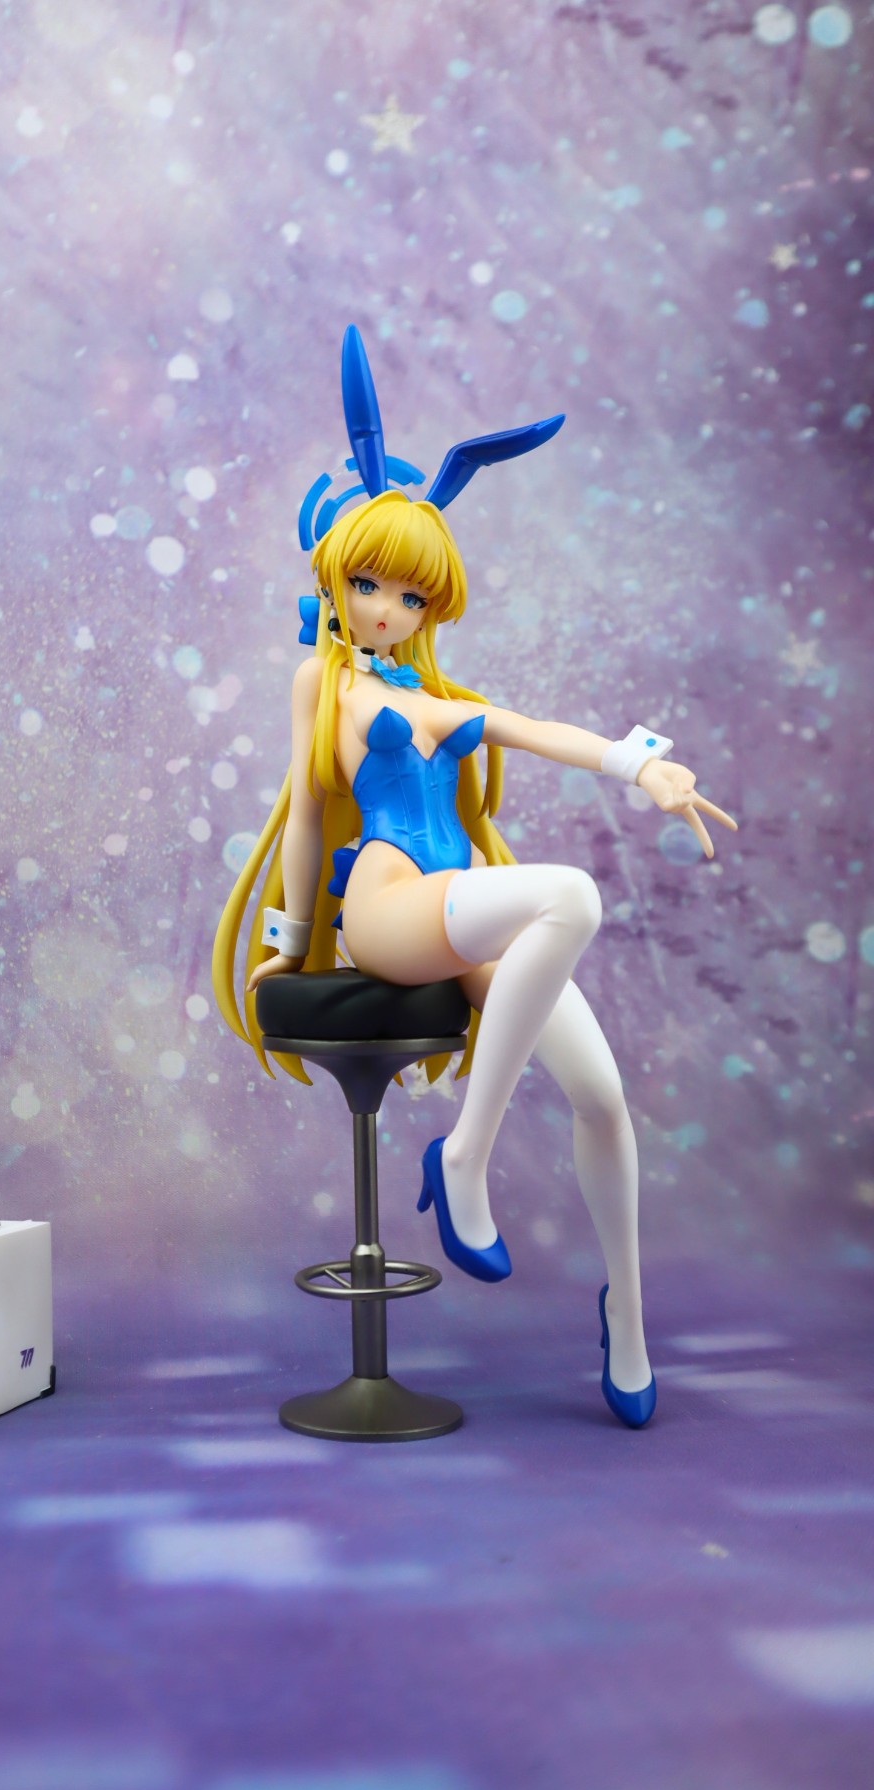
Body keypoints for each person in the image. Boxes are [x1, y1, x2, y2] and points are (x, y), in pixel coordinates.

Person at [212, 331, 736, 1428]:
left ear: (430, 606)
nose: (384, 609)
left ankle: (629, 1318)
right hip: (388, 909)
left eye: (408, 596)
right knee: (571, 895)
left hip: (462, 913)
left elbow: (533, 728)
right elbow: (305, 815)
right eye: (368, 585)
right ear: (334, 577)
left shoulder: (435, 694)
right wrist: (288, 937)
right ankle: (465, 1155)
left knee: (603, 1099)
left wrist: (641, 766)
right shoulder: (322, 684)